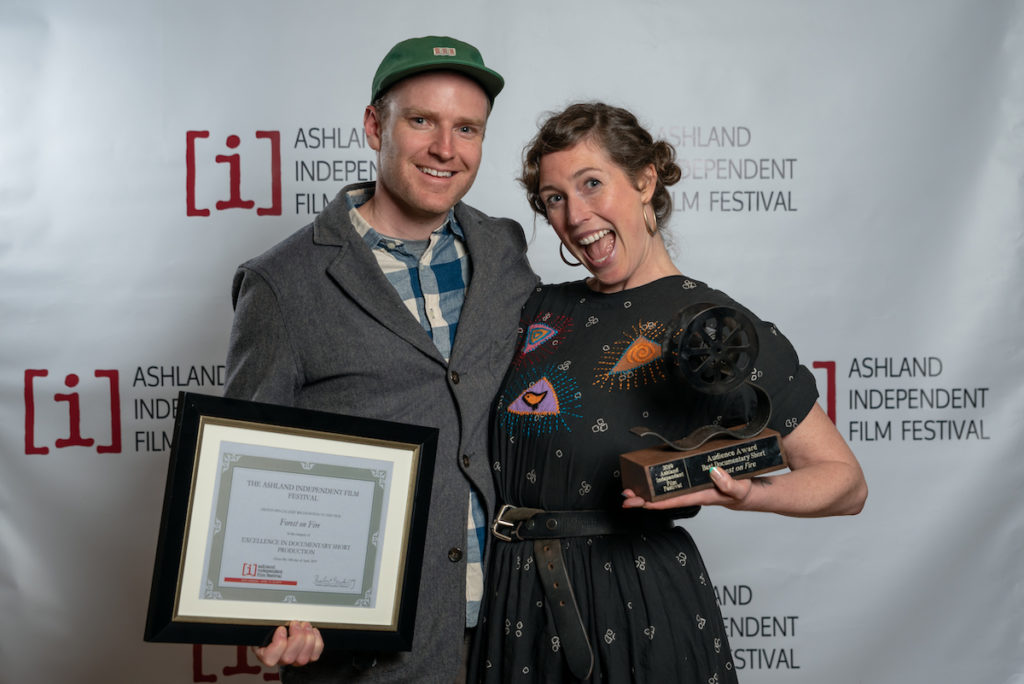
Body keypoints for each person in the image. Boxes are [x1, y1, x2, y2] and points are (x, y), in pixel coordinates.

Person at [471, 102, 867, 682]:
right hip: (512, 605)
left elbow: (846, 482)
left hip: (633, 608)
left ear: (644, 180)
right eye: (555, 198)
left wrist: (745, 494)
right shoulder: (538, 307)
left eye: (592, 184)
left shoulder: (715, 325)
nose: (577, 216)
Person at [223, 36, 537, 682]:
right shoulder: (284, 283)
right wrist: (268, 617)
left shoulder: (504, 250)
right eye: (421, 121)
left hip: (512, 642)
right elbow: (245, 469)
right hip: (373, 660)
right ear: (375, 126)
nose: (445, 148)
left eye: (467, 128)